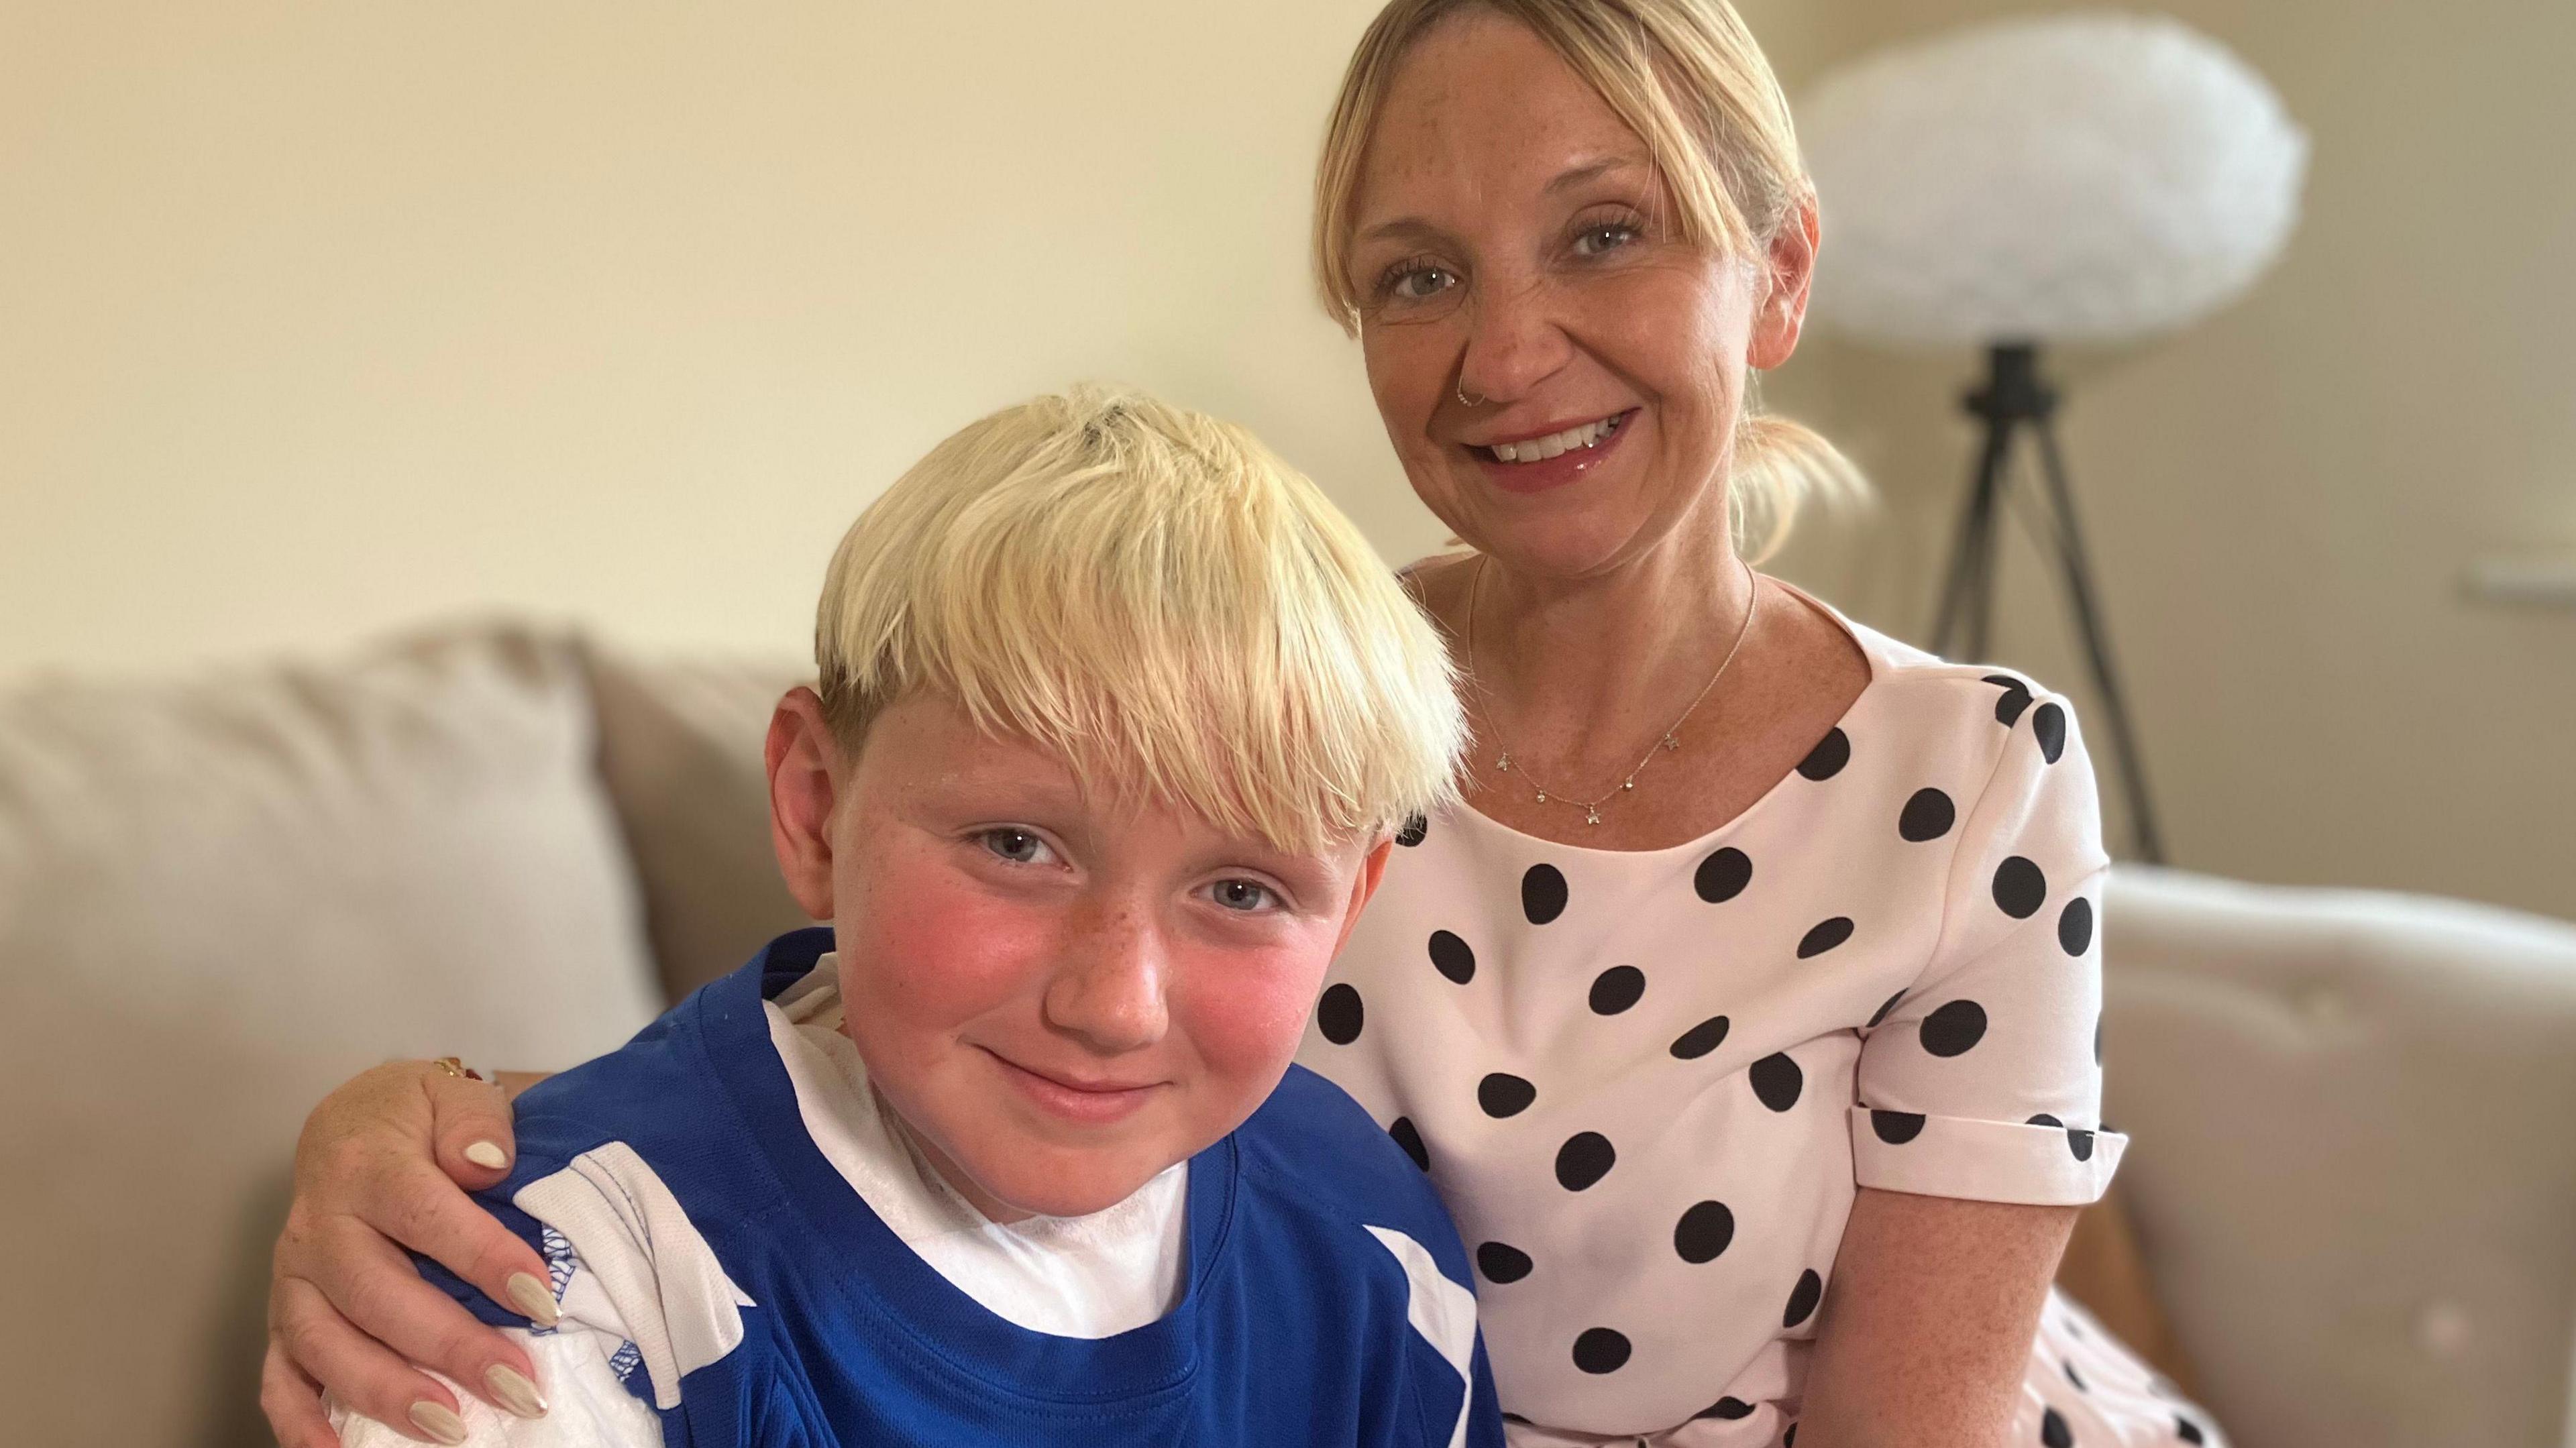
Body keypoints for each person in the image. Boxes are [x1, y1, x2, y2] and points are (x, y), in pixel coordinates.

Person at [264, 2, 2229, 1445]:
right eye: (1418, 276)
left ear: (1777, 271)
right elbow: (865, 1043)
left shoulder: (1968, 774)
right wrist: (410, 1126)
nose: (1510, 350)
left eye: (1605, 233)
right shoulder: (1253, 710)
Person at [307, 387, 1502, 1447]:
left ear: (1349, 909)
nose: (1115, 1006)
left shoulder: (1368, 1244)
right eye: (1017, 846)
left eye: (1241, 893)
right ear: (817, 809)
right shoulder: (568, 1279)